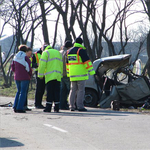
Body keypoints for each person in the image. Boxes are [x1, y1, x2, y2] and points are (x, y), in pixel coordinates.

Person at [66, 37, 95, 111]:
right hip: (81, 74)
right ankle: (80, 106)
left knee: (72, 90)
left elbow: (67, 64)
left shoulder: (69, 51)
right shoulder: (81, 50)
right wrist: (92, 72)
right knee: (81, 90)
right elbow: (87, 62)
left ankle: (71, 106)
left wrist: (68, 74)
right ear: (81, 43)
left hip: (72, 75)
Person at [38, 45, 63, 113]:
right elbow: (61, 64)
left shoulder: (46, 52)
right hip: (58, 76)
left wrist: (40, 75)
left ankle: (48, 108)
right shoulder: (58, 52)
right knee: (57, 92)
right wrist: (61, 74)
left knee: (50, 92)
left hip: (50, 76)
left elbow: (42, 64)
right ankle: (57, 108)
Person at [11, 45, 32, 113]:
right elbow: (29, 68)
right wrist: (30, 75)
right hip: (25, 77)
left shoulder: (15, 57)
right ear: (26, 51)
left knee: (18, 91)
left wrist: (16, 72)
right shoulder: (25, 57)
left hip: (17, 76)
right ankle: (20, 108)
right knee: (23, 92)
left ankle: (15, 106)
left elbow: (12, 67)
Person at [32, 44, 48, 109]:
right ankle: (37, 103)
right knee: (39, 89)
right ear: (41, 48)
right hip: (38, 72)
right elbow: (31, 64)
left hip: (46, 73)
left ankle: (40, 103)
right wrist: (36, 64)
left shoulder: (47, 53)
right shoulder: (35, 54)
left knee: (43, 89)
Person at [59, 41, 73, 110]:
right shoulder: (67, 53)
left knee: (62, 91)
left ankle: (61, 105)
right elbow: (67, 63)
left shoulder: (59, 52)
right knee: (69, 90)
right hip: (66, 74)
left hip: (60, 74)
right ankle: (68, 104)